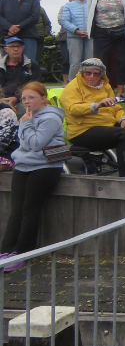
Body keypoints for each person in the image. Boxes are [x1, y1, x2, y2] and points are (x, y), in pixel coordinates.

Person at [62, 57, 125, 177]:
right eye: (88, 73)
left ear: (101, 75)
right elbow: (72, 109)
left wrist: (123, 119)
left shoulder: (105, 86)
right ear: (82, 73)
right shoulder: (72, 87)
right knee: (123, 134)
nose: (91, 76)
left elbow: (116, 107)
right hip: (82, 131)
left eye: (96, 74)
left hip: (106, 128)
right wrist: (96, 105)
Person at [0, 83, 66, 267]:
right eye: (24, 99)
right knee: (16, 211)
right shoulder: (27, 117)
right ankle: (6, 251)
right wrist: (27, 124)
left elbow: (36, 143)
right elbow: (24, 144)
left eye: (32, 98)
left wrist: (27, 124)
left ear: (43, 98)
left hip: (45, 167)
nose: (27, 102)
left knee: (30, 210)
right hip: (24, 165)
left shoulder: (51, 118)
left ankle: (22, 254)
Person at [0, 0, 45, 69]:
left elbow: (35, 16)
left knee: (28, 64)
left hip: (28, 35)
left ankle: (28, 83)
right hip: (9, 35)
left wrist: (18, 27)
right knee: (8, 64)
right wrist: (9, 27)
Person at [57, 0, 89, 82]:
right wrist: (76, 30)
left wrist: (90, 31)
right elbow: (64, 21)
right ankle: (72, 86)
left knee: (90, 62)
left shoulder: (92, 3)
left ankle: (90, 85)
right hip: (74, 37)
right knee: (75, 63)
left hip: (90, 37)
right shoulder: (68, 5)